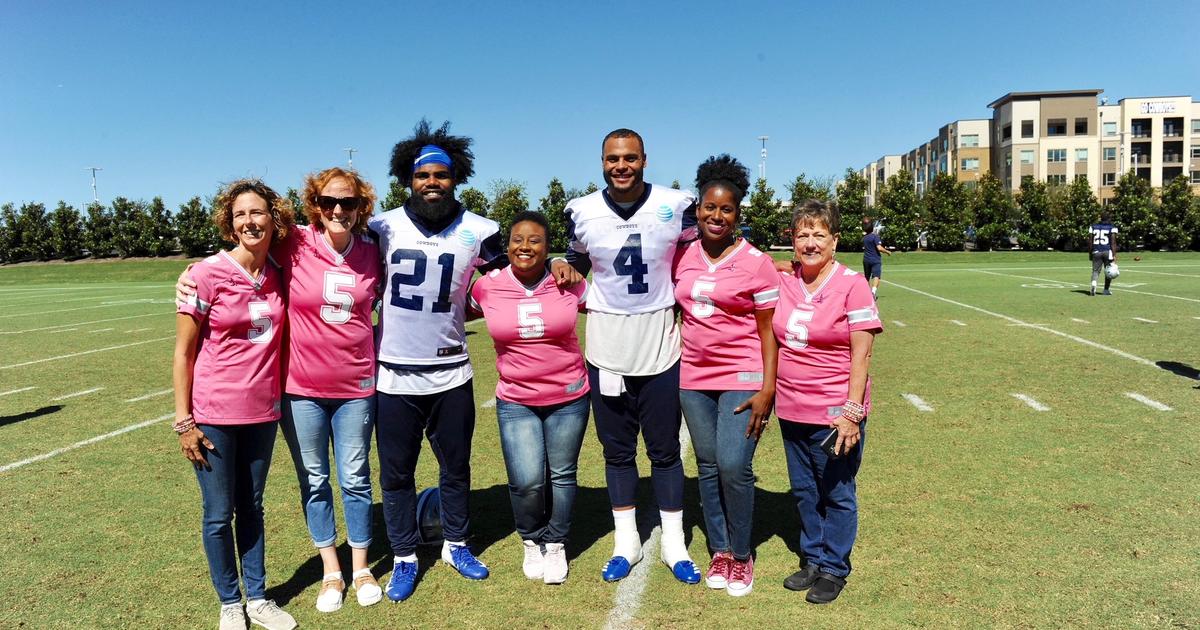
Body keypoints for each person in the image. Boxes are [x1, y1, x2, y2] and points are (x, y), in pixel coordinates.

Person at [177, 168, 386, 612]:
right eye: (328, 202)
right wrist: (193, 271)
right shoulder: (295, 244)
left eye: (347, 202)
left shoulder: (373, 249)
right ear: (314, 205)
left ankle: (362, 567)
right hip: (299, 389)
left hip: (355, 386)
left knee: (355, 478)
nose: (337, 210)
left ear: (361, 207)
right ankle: (330, 572)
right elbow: (238, 257)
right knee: (313, 480)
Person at [550, 128, 701, 584]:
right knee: (617, 452)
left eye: (630, 158)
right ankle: (626, 542)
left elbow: (700, 254)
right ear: (601, 162)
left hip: (659, 340)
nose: (622, 166)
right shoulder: (583, 209)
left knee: (664, 450)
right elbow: (577, 258)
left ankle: (674, 544)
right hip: (607, 344)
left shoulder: (676, 204)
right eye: (613, 159)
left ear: (644, 160)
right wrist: (564, 263)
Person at [369, 120, 507, 602]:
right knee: (396, 473)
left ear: (457, 177)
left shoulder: (482, 230)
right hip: (394, 375)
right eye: (423, 174)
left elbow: (510, 275)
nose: (432, 182)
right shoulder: (381, 226)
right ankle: (405, 555)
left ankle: (455, 543)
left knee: (456, 466)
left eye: (441, 175)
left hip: (452, 373)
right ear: (408, 177)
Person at [173, 179, 298, 630]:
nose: (250, 221)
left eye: (258, 212)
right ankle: (230, 601)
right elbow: (183, 353)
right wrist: (184, 421)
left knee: (253, 507)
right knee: (217, 512)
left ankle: (259, 596)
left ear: (273, 218)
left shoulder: (280, 273)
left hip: (263, 413)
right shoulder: (206, 274)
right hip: (213, 415)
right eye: (240, 214)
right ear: (229, 223)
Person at [673, 155, 779, 597]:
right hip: (693, 377)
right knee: (708, 464)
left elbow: (769, 330)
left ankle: (741, 553)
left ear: (738, 214)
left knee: (735, 465)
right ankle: (718, 549)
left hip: (743, 373)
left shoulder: (757, 262)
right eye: (709, 207)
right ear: (698, 208)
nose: (717, 216)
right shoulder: (680, 254)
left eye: (727, 209)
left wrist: (767, 387)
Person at [468, 211, 590, 585]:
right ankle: (531, 538)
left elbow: (611, 307)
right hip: (516, 398)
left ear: (548, 246)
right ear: (507, 246)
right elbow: (458, 314)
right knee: (526, 480)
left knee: (563, 475)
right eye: (518, 239)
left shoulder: (569, 283)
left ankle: (555, 542)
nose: (526, 246)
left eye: (536, 240)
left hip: (569, 395)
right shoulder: (487, 286)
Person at [773, 200, 882, 605]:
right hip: (791, 408)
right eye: (802, 234)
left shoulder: (851, 284)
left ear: (835, 241)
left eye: (819, 234)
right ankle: (813, 559)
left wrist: (852, 413)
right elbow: (756, 263)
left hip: (835, 412)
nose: (810, 242)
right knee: (804, 491)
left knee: (836, 491)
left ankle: (835, 567)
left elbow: (862, 354)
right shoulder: (787, 279)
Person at [1089, 212, 1118, 296]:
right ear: (1108, 218)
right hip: (1107, 251)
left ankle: (1094, 284)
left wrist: (1090, 253)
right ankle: (1106, 289)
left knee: (1095, 271)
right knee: (1108, 270)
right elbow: (1113, 242)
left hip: (1096, 251)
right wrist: (1114, 254)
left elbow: (1090, 241)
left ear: (1100, 218)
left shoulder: (1093, 227)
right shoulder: (1112, 227)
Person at [861, 223, 891, 297]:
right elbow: (879, 248)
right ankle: (873, 292)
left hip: (866, 260)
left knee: (867, 277)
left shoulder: (864, 238)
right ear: (872, 228)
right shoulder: (875, 236)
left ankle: (867, 294)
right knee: (876, 276)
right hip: (875, 260)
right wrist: (887, 252)